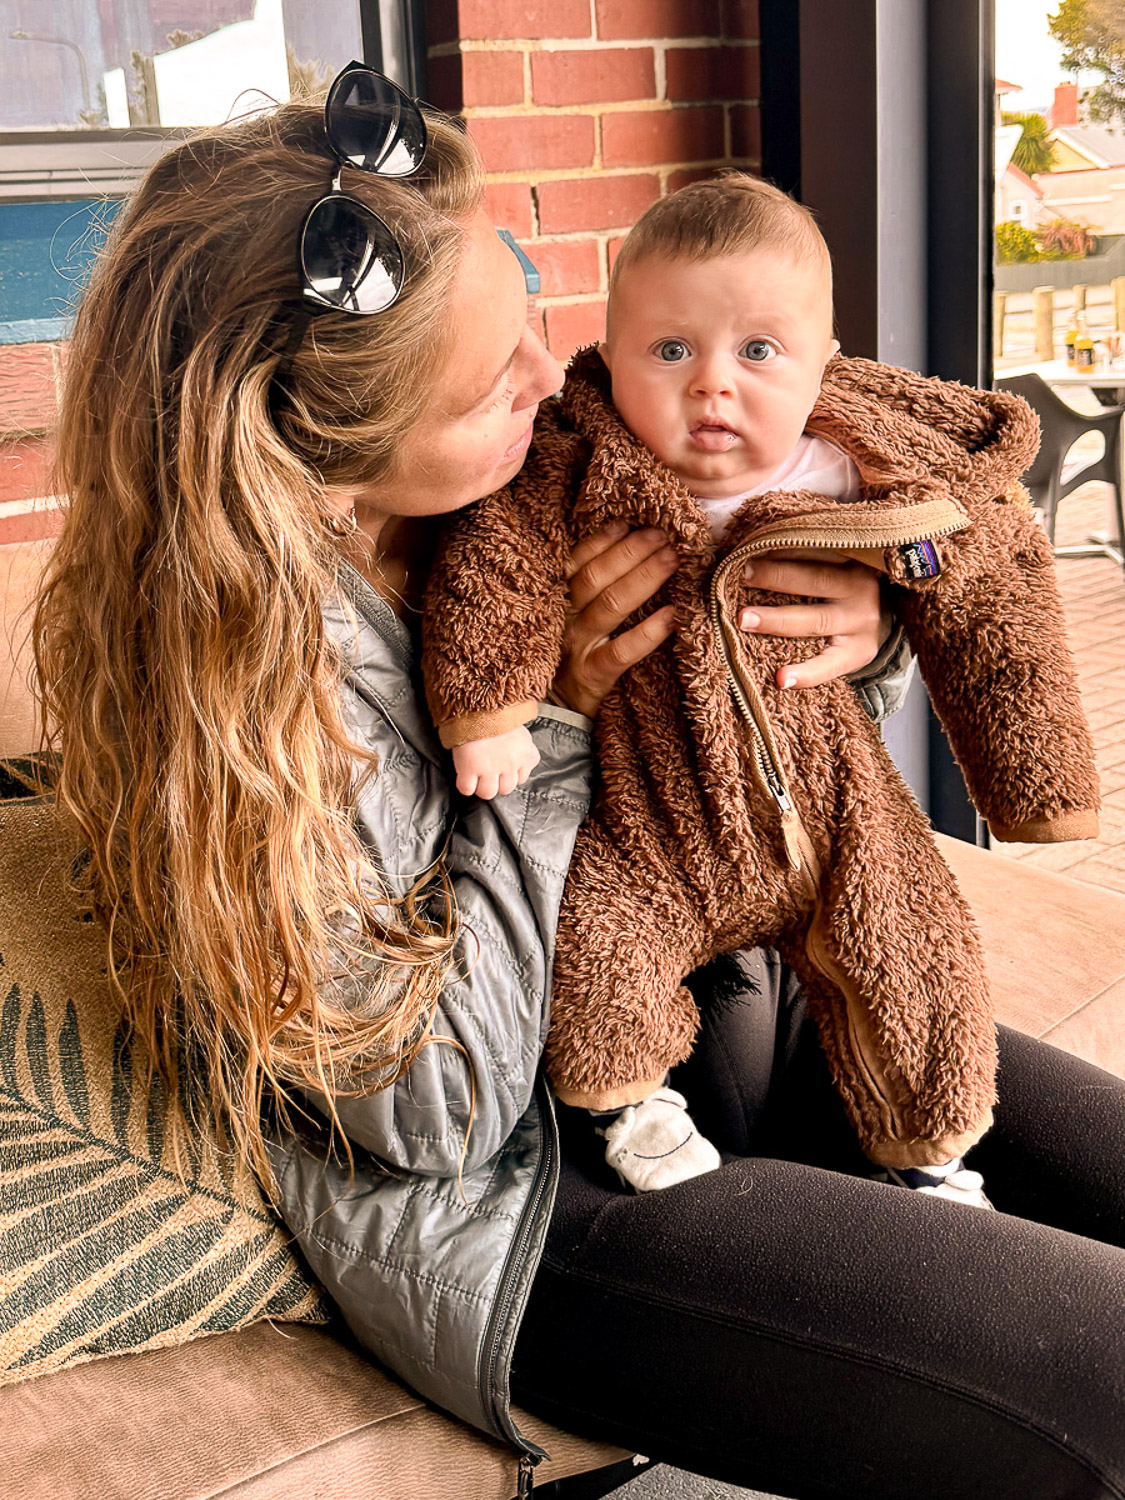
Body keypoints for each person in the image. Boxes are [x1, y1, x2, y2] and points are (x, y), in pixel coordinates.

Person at [31, 65, 1125, 1500]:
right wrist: (549, 724)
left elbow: (910, 514)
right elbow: (436, 1108)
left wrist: (856, 619)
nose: (562, 381)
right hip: (541, 1196)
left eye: (536, 323)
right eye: (497, 382)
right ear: (319, 461)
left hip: (758, 1000)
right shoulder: (244, 704)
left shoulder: (516, 477)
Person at [421, 174, 1098, 1198]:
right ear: (613, 354)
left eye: (758, 352)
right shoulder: (579, 472)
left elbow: (988, 578)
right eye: (671, 351)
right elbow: (496, 573)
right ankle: (628, 1097)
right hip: (650, 834)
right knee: (602, 940)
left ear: (824, 364)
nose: (712, 388)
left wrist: (901, 637)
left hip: (831, 819)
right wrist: (511, 710)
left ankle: (934, 1145)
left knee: (918, 947)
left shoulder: (857, 469)